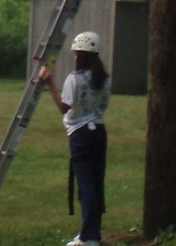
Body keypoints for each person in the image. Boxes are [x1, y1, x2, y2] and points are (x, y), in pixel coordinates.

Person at [39, 31, 111, 246]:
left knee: (86, 187)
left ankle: (88, 238)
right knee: (97, 185)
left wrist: (50, 83)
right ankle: (93, 233)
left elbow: (64, 106)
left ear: (80, 55)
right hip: (99, 132)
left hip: (80, 134)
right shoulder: (104, 79)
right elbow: (103, 106)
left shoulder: (74, 79)